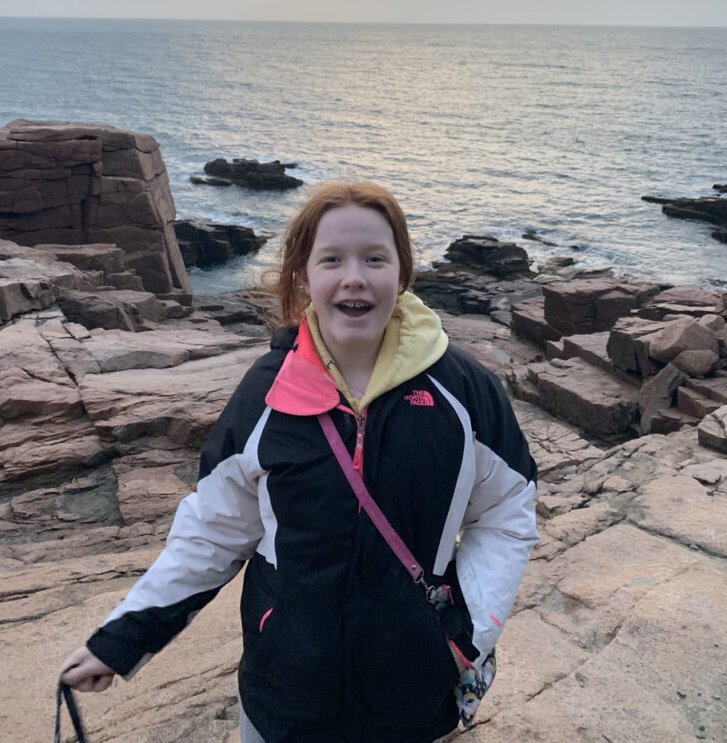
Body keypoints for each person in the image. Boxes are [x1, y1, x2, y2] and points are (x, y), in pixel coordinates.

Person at [61, 182, 538, 743]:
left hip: (414, 692)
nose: (353, 277)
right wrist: (121, 639)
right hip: (285, 695)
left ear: (402, 273)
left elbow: (507, 512)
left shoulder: (463, 392)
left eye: (375, 258)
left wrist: (470, 631)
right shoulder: (265, 392)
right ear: (304, 276)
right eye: (331, 259)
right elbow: (213, 534)